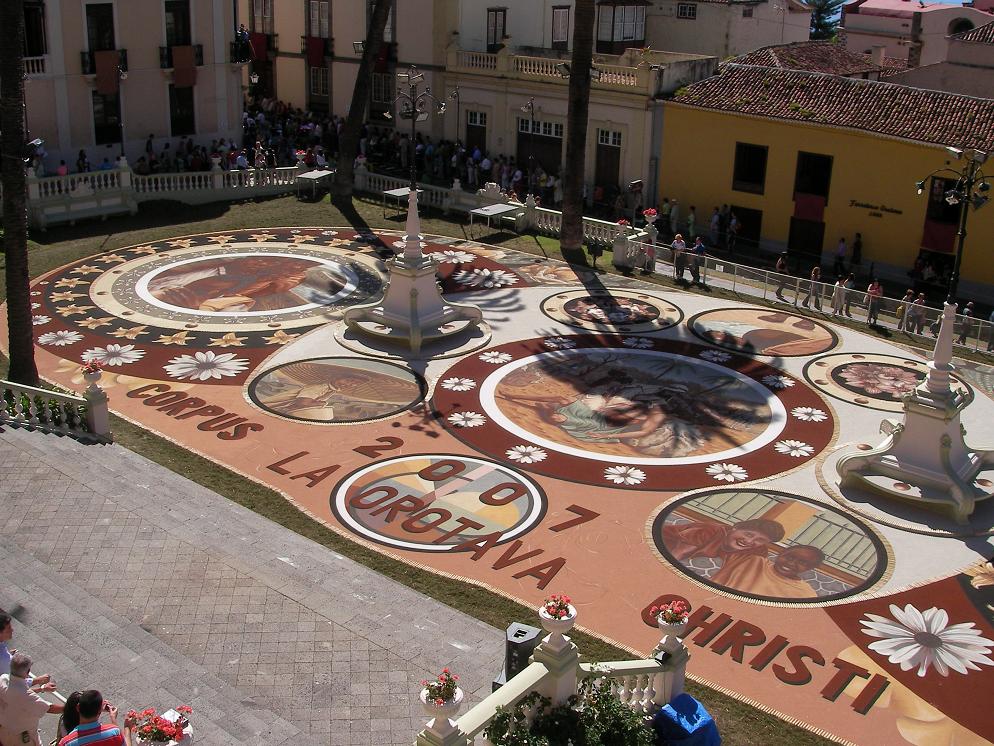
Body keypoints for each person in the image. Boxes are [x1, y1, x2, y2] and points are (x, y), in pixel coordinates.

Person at [712, 546, 825, 599]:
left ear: (811, 568)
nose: (791, 563)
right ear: (781, 553)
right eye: (789, 557)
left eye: (802, 562)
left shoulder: (805, 594)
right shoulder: (752, 561)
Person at [0, 653, 63, 746]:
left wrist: (42, 688)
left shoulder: (3, 679)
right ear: (28, 671)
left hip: (3, 732)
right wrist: (72, 706)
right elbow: (50, 708)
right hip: (21, 739)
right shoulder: (27, 697)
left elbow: (19, 689)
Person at [663, 519, 786, 563]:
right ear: (735, 528)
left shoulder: (758, 549)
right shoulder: (710, 531)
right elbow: (677, 553)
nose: (749, 541)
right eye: (748, 534)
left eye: (760, 540)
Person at [58, 690, 133, 746]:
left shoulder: (66, 743)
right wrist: (127, 727)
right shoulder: (114, 732)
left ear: (78, 708)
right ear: (100, 711)